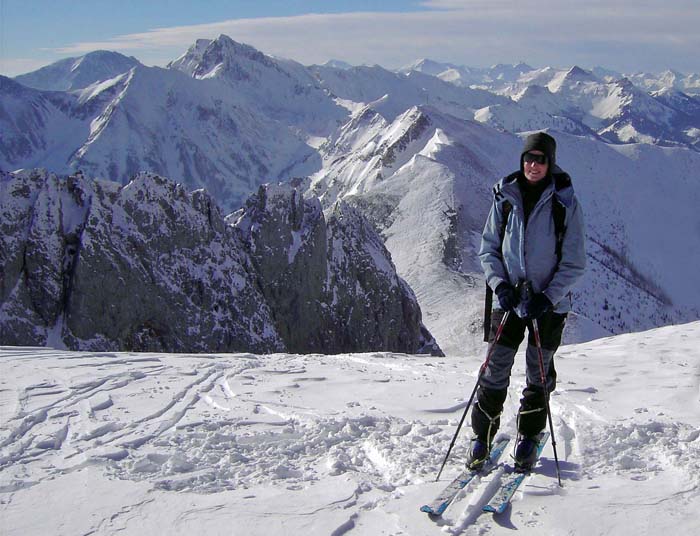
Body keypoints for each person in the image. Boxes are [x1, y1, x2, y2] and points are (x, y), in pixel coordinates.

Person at [467, 131, 586, 471]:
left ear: (550, 163)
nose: (533, 165)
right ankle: (482, 437)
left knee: (538, 373)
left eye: (540, 159)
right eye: (528, 159)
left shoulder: (565, 203)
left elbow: (575, 262)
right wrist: (500, 285)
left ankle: (529, 437)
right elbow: (488, 248)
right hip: (509, 301)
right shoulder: (505, 197)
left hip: (547, 306)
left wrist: (548, 298)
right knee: (494, 368)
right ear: (521, 161)